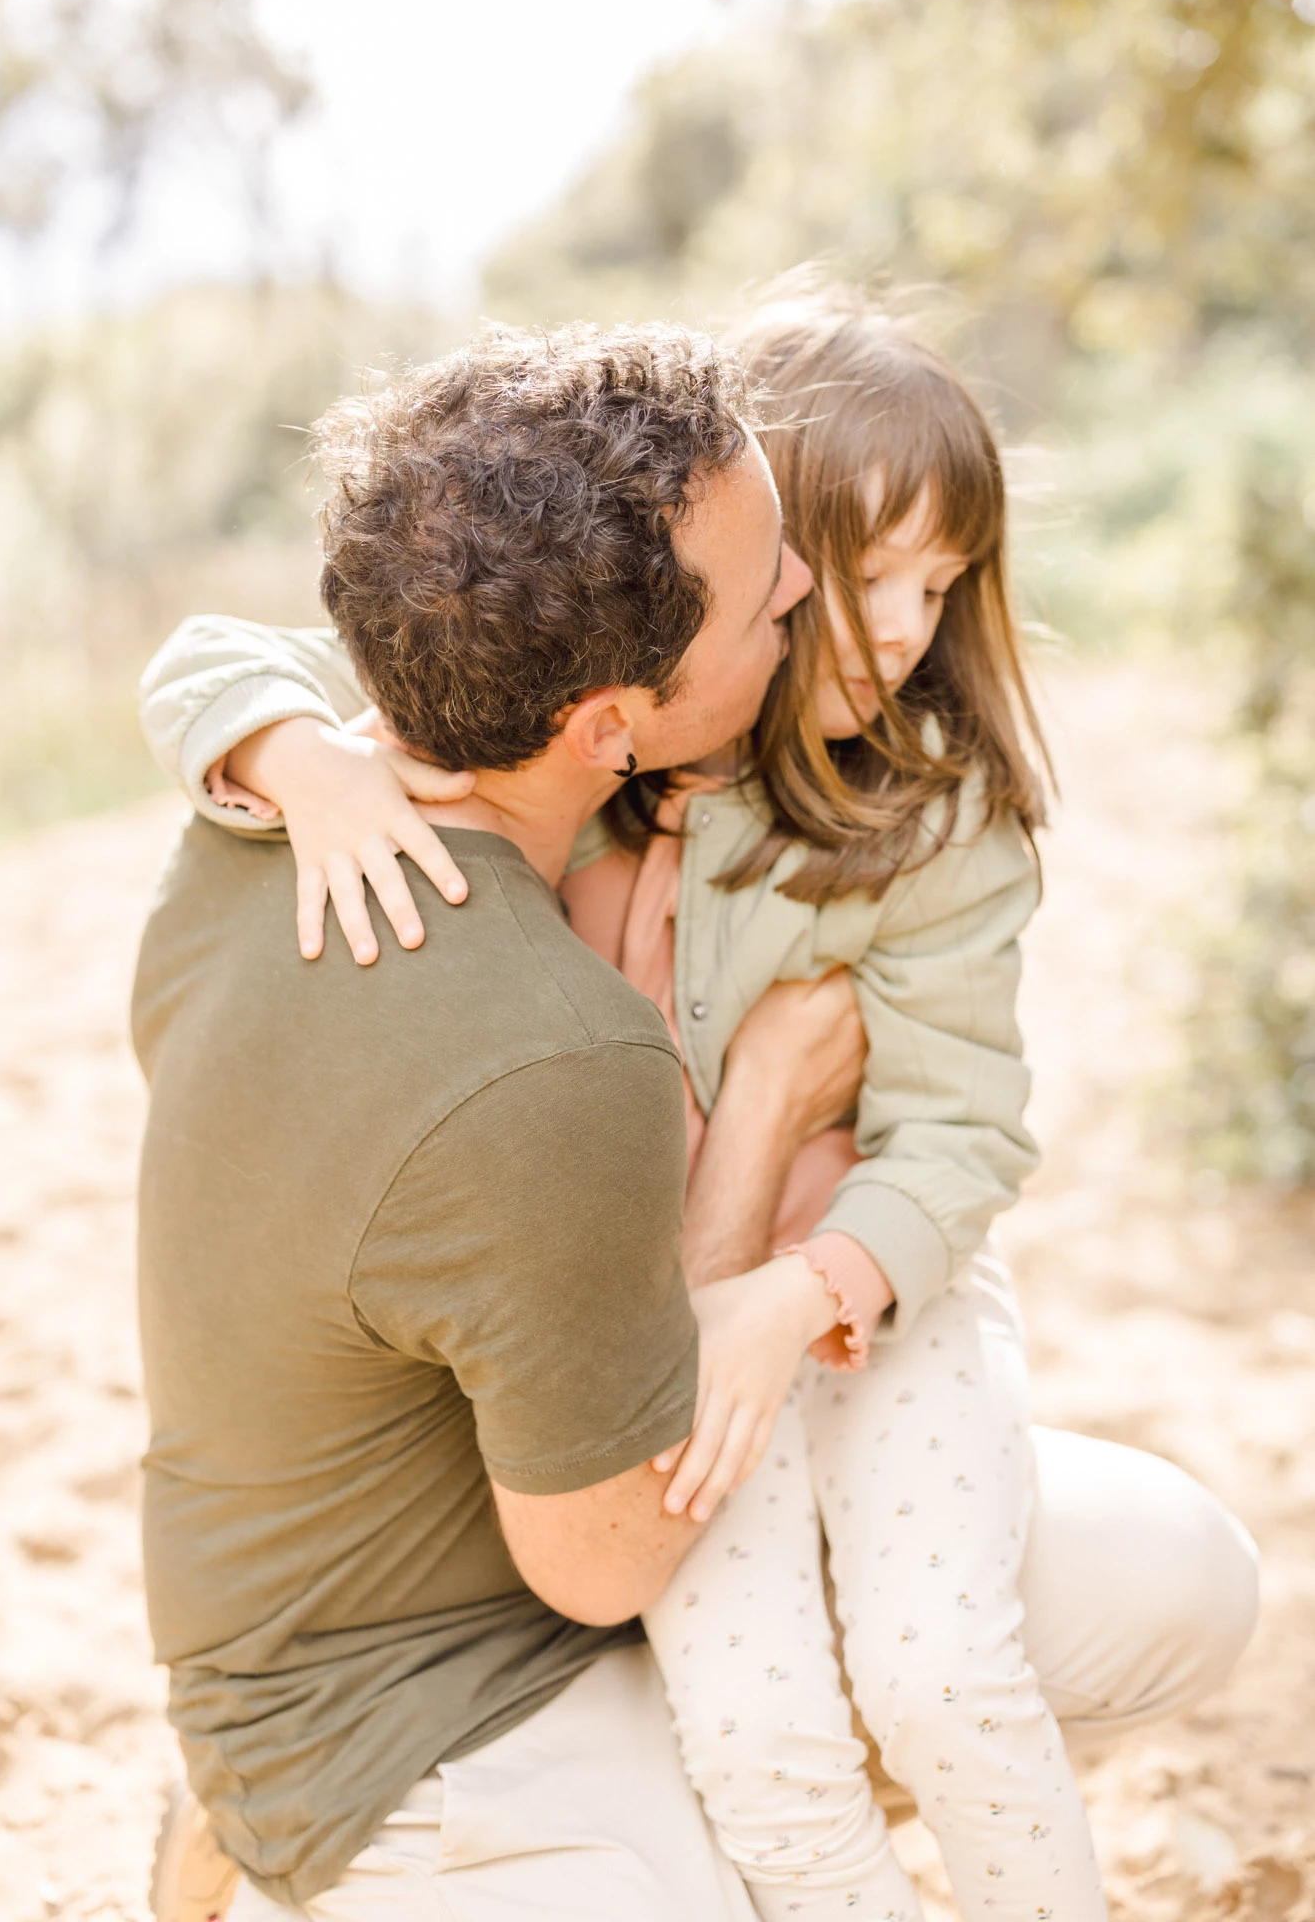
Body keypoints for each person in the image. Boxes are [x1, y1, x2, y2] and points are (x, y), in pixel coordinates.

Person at [142, 294, 1259, 1922]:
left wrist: (286, 748)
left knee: (999, 1639)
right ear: (617, 718)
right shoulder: (541, 995)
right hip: (471, 1623)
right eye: (803, 580)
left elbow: (961, 1131)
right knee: (766, 1740)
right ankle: (329, 1825)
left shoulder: (478, 747)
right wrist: (765, 1126)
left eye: (931, 584)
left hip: (785, 1354)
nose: (852, 613)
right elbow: (603, 1543)